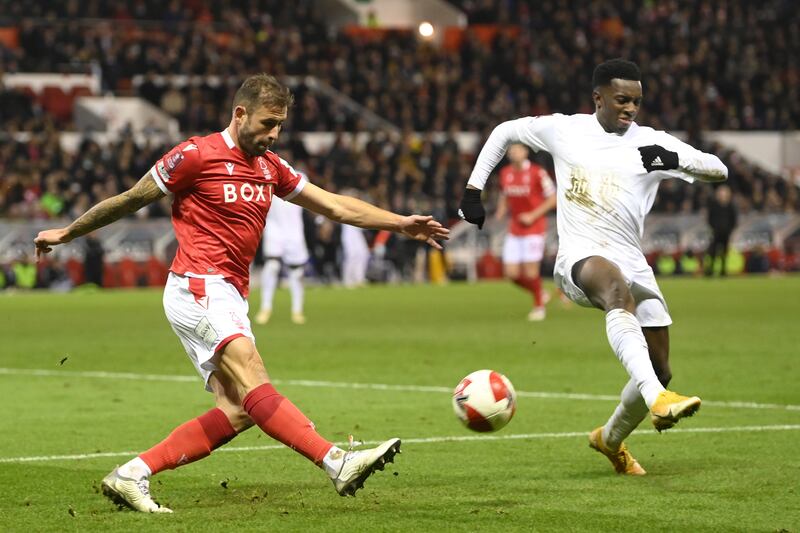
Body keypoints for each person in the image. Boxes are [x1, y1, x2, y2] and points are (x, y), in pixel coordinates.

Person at [34, 74, 449, 513]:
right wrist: (68, 231)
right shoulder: (195, 155)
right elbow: (130, 198)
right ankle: (335, 461)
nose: (273, 134)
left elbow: (334, 204)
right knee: (254, 375)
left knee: (239, 408)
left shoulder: (271, 166)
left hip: (227, 292)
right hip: (198, 285)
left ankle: (132, 474)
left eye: (280, 126)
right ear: (240, 113)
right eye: (268, 123)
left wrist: (399, 223)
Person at [458, 59, 727, 475]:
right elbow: (504, 131)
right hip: (580, 258)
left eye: (637, 101)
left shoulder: (651, 141)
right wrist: (474, 188)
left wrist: (672, 157)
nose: (631, 108)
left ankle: (611, 439)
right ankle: (658, 399)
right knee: (616, 291)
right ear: (598, 98)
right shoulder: (565, 130)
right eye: (622, 99)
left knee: (660, 366)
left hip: (633, 262)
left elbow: (719, 170)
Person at [494, 143, 557, 321]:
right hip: (515, 229)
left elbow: (553, 198)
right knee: (511, 274)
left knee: (531, 272)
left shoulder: (538, 172)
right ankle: (540, 291)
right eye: (511, 151)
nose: (513, 153)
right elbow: (504, 195)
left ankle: (539, 307)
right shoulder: (505, 173)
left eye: (517, 150)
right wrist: (501, 210)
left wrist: (532, 215)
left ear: (525, 152)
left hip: (534, 229)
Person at [255, 194, 309, 325]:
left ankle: (297, 310)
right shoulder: (266, 174)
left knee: (297, 272)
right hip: (274, 228)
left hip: (294, 230)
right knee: (272, 266)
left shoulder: (301, 176)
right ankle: (265, 307)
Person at [705, 184, 738, 276]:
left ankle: (723, 271)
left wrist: (730, 230)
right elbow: (710, 219)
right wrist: (713, 228)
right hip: (716, 232)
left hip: (726, 233)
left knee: (724, 252)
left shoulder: (731, 206)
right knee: (712, 252)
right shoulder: (714, 205)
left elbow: (734, 220)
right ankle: (710, 270)